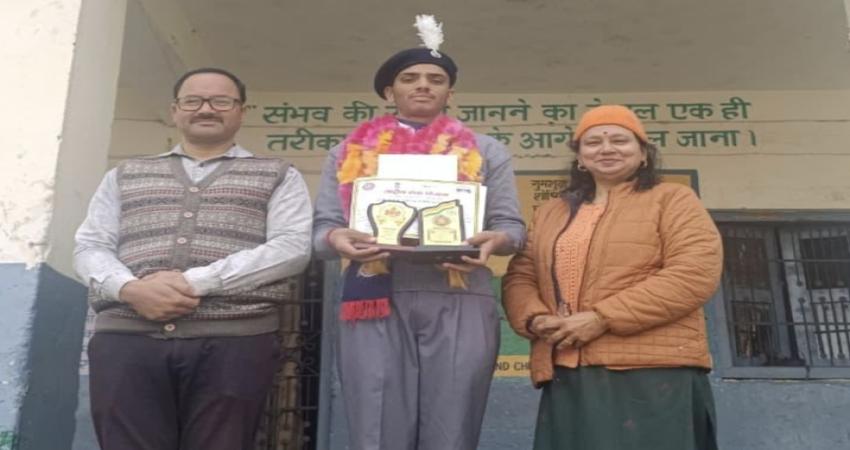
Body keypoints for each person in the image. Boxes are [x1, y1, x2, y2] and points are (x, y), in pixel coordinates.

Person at [73, 67, 312, 450]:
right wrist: (130, 289)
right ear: (175, 110)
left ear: (242, 111)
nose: (206, 109)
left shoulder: (278, 174)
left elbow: (292, 247)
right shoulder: (125, 174)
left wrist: (194, 282)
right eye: (193, 101)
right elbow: (90, 246)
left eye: (221, 101)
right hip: (127, 337)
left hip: (234, 340)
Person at [312, 44, 526, 449]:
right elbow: (323, 230)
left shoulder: (485, 149)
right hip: (374, 296)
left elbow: (511, 227)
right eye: (410, 78)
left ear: (450, 93)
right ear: (389, 92)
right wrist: (337, 238)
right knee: (376, 422)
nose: (423, 86)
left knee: (453, 422)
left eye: (436, 79)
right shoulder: (348, 152)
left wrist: (497, 239)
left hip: (459, 292)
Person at [502, 105, 722, 450]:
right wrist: (536, 318)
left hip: (652, 372)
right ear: (580, 157)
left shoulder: (672, 199)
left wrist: (601, 318)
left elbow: (694, 273)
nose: (606, 149)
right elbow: (521, 275)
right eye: (593, 142)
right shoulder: (551, 212)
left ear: (643, 153)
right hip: (568, 370)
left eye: (620, 140)